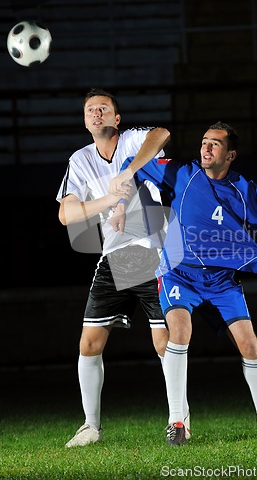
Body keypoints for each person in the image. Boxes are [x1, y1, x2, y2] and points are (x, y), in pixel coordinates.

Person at [108, 121, 257, 444]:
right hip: (179, 273)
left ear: (230, 155)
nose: (206, 148)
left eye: (215, 144)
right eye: (204, 142)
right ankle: (178, 422)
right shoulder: (181, 174)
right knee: (180, 331)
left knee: (250, 345)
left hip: (221, 280)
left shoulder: (245, 191)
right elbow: (131, 168)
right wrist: (120, 202)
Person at [56, 88, 188, 447]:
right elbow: (66, 214)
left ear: (117, 119)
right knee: (89, 342)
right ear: (85, 120)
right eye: (90, 110)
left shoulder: (130, 142)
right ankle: (91, 426)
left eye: (103, 109)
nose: (96, 113)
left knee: (164, 342)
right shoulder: (80, 160)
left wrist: (129, 172)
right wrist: (110, 198)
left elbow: (162, 134)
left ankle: (179, 420)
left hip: (152, 253)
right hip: (114, 258)